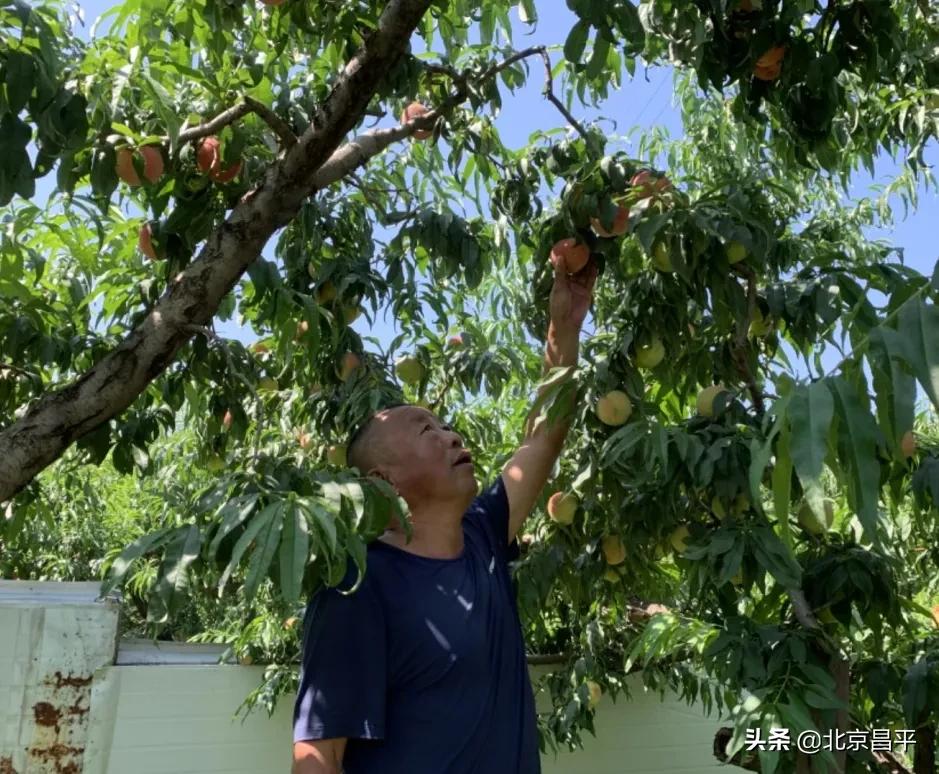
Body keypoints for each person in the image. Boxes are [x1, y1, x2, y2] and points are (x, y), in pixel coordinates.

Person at [292, 252, 599, 774]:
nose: (451, 433)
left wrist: (564, 326)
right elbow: (318, 754)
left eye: (444, 424)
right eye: (424, 430)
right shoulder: (357, 585)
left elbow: (545, 437)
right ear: (382, 481)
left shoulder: (481, 536)